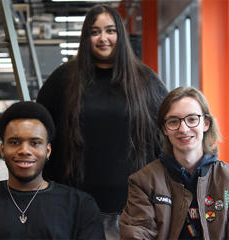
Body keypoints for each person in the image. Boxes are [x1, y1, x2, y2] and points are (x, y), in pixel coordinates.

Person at [37, 4, 167, 239]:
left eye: (110, 30)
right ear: (86, 38)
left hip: (136, 211)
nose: (103, 38)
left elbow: (166, 137)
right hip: (75, 209)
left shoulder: (145, 80)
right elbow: (39, 130)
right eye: (95, 32)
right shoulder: (63, 80)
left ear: (120, 34)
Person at [119, 86, 229, 239]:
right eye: (173, 121)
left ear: (206, 124)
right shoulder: (143, 182)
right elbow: (136, 234)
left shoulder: (226, 179)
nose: (183, 129)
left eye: (192, 119)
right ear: (164, 128)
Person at [0, 101, 105, 239]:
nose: (24, 150)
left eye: (35, 143)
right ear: (2, 150)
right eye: (14, 142)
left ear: (48, 150)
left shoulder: (80, 206)